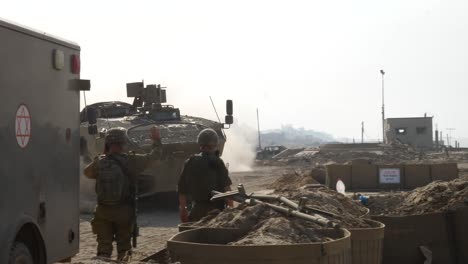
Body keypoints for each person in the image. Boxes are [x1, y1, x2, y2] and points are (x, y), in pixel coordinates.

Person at [84, 126, 162, 261]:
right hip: (124, 211)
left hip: (103, 211)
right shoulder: (132, 160)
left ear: (108, 144)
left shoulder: (100, 161)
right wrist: (156, 141)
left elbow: (87, 172)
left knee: (103, 248)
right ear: (124, 143)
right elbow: (155, 155)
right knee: (124, 249)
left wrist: (102, 157)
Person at [178, 128, 233, 223]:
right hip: (216, 212)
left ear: (200, 143)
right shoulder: (218, 162)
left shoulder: (190, 162)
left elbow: (182, 189)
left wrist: (183, 209)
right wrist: (231, 208)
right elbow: (226, 188)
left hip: (197, 211)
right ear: (215, 144)